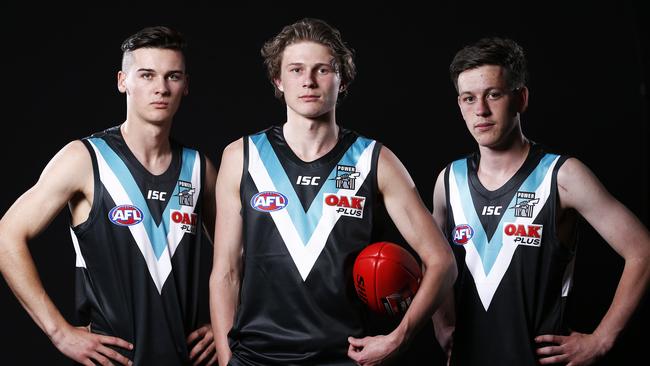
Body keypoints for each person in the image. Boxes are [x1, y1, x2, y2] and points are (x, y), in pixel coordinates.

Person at [209, 18, 456, 366]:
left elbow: (442, 261)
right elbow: (226, 271)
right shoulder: (241, 157)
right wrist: (225, 359)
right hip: (256, 357)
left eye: (322, 69)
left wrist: (397, 340)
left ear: (342, 80)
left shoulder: (375, 160)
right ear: (278, 80)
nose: (308, 81)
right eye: (295, 70)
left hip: (344, 357)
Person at [0, 26, 217, 365]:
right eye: (147, 75)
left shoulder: (199, 168)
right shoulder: (85, 158)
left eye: (172, 76)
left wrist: (225, 324)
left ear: (185, 85)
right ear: (123, 81)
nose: (161, 88)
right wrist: (58, 332)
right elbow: (5, 235)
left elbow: (241, 257)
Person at [431, 37, 650, 365]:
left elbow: (642, 250)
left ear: (520, 98)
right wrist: (442, 325)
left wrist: (602, 339)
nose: (481, 110)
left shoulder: (561, 175)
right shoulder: (449, 180)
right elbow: (435, 262)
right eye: (468, 98)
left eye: (494, 94)